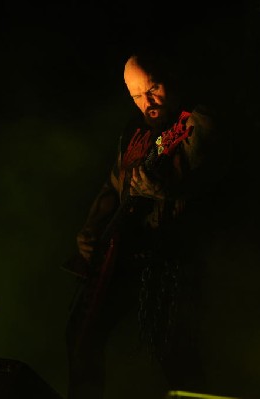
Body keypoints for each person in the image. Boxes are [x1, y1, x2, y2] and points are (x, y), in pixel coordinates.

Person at [62, 50, 231, 398]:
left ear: (172, 79)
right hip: (121, 255)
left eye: (153, 89)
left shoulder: (198, 122)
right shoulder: (136, 130)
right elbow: (113, 184)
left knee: (176, 356)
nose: (146, 102)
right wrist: (91, 230)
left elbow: (217, 188)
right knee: (80, 335)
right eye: (136, 95)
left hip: (170, 262)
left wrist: (165, 193)